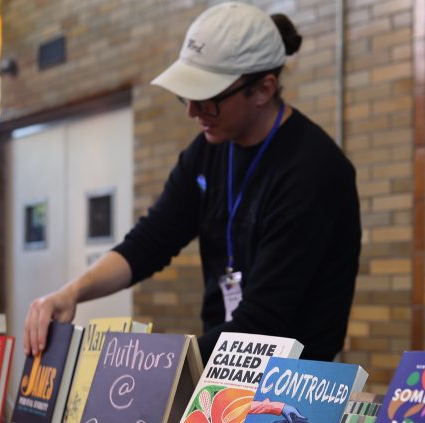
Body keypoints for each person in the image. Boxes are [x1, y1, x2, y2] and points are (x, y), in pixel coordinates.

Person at [24, 2, 361, 363]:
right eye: (187, 96)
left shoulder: (313, 172)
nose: (192, 112)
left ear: (263, 89)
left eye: (209, 99)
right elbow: (150, 241)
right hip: (225, 368)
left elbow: (263, 322)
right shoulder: (208, 151)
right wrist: (72, 293)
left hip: (293, 386)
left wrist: (152, 368)